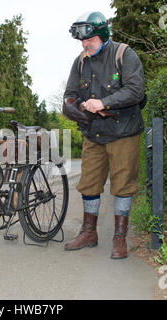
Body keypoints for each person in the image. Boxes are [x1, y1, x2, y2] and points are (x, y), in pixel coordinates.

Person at [62, 11, 145, 259]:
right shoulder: (80, 61)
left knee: (123, 186)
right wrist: (75, 108)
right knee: (89, 184)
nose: (85, 46)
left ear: (103, 36)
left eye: (90, 41)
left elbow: (135, 90)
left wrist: (103, 103)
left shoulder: (124, 55)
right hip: (94, 133)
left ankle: (119, 238)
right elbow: (69, 94)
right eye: (82, 42)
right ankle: (89, 232)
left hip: (124, 132)